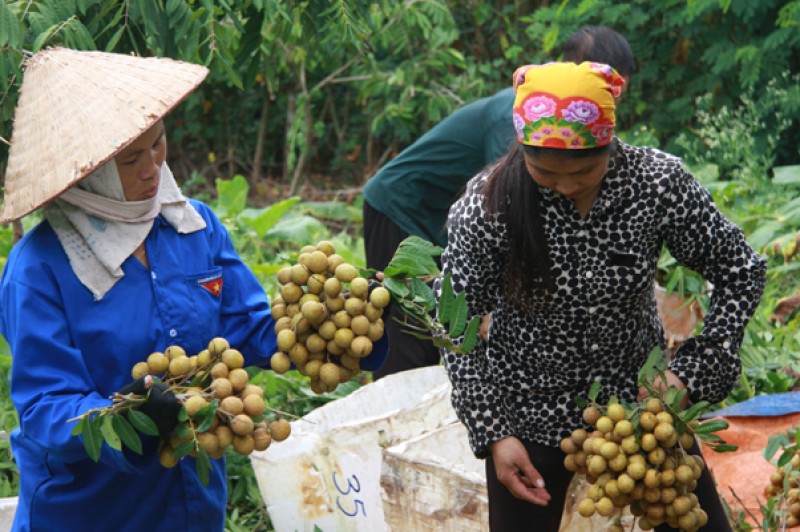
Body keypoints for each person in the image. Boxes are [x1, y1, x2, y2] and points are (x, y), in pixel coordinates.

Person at [0, 48, 384, 531]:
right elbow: (44, 408)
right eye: (130, 159)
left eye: (158, 145)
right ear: (87, 171)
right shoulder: (38, 268)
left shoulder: (192, 225)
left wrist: (338, 326)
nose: (152, 169)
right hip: (91, 511)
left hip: (192, 503)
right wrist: (127, 417)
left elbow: (248, 328)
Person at [438, 61, 766, 531]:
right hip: (529, 412)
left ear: (610, 143)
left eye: (585, 170)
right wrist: (494, 432)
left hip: (644, 406)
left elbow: (741, 268)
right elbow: (454, 324)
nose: (567, 186)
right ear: (520, 151)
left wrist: (691, 371)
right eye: (545, 172)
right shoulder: (488, 205)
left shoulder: (656, 184)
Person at [363, 26, 635, 379]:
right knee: (410, 328)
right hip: (404, 209)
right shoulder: (523, 119)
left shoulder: (571, 131)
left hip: (443, 221)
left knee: (450, 327)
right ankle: (394, 425)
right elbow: (509, 212)